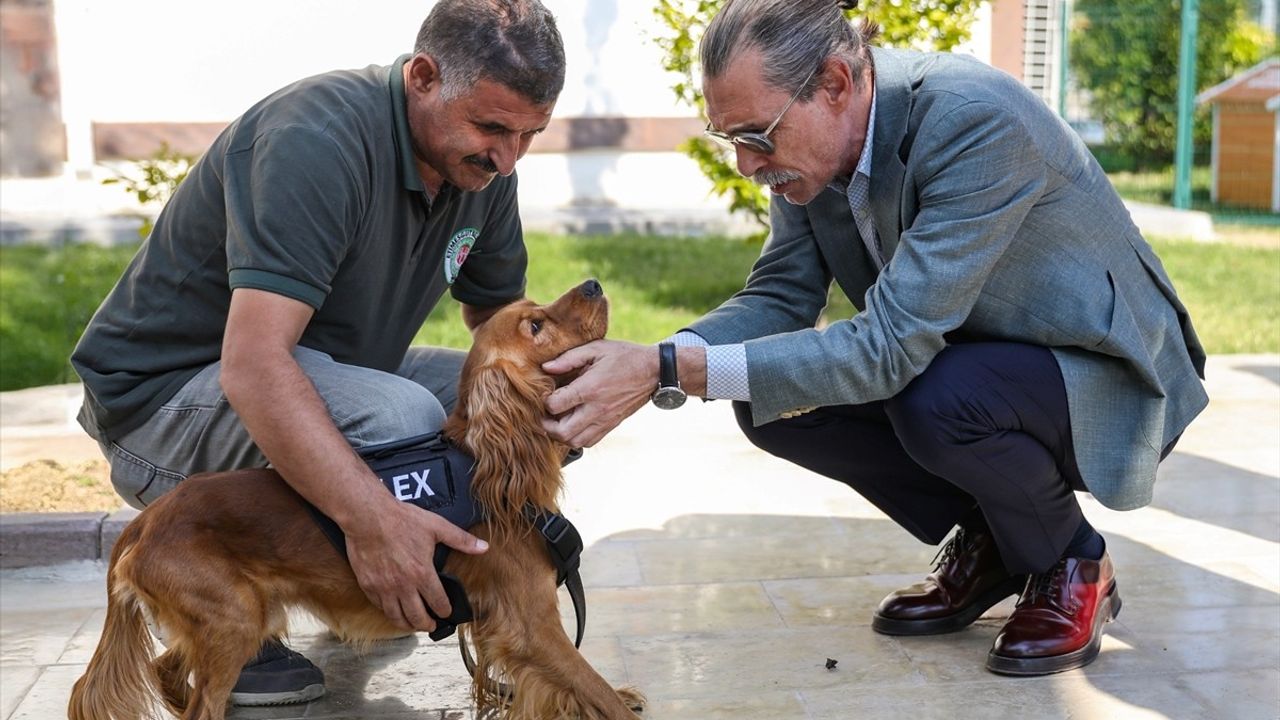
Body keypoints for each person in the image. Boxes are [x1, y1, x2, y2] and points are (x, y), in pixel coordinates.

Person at [542, 0, 1207, 676]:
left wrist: (665, 369)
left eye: (756, 135)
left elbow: (890, 347)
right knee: (773, 399)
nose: (746, 163)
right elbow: (780, 296)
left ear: (834, 82)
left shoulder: (974, 120)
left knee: (939, 399)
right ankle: (1000, 535)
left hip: (1102, 372)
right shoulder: (811, 147)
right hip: (976, 360)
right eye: (730, 139)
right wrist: (660, 359)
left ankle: (1071, 560)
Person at [70, 0, 564, 705]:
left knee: (528, 399)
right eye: (491, 127)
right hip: (163, 407)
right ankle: (264, 601)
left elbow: (498, 328)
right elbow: (255, 364)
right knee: (401, 415)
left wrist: (560, 391)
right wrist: (370, 523)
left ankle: (427, 590)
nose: (509, 157)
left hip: (314, 375)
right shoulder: (319, 139)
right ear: (423, 77)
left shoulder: (483, 168)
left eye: (529, 134)